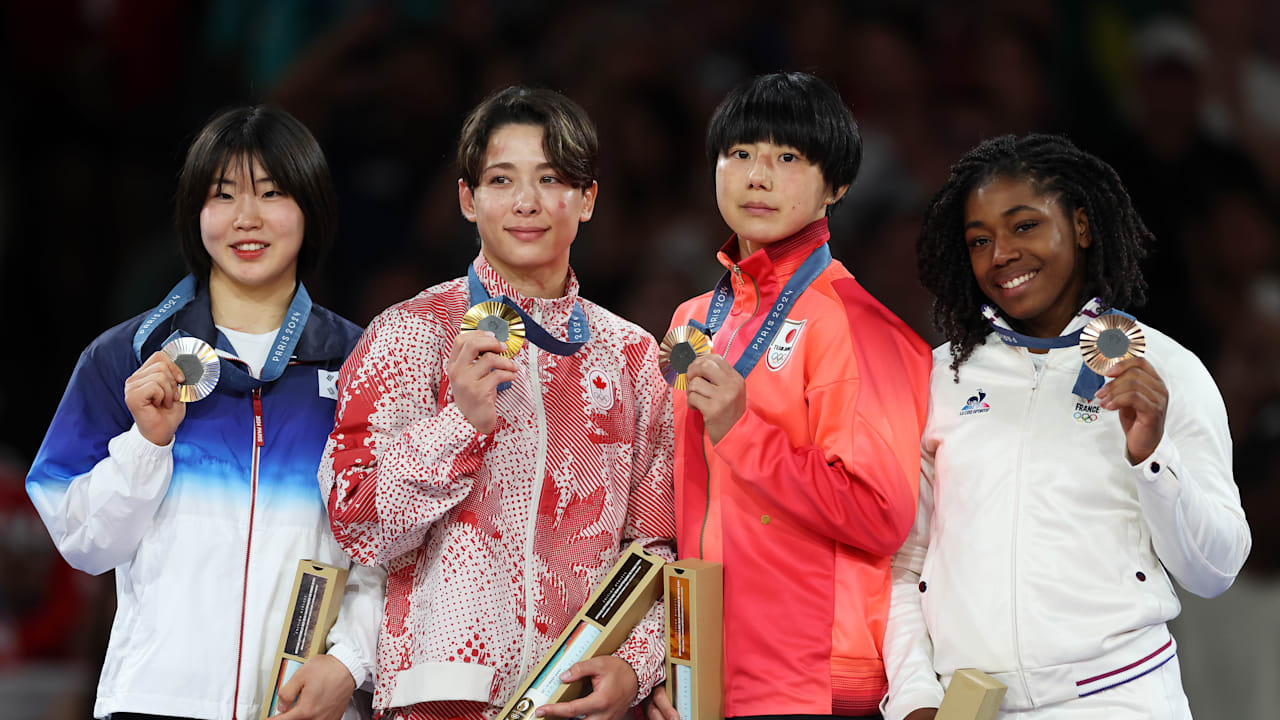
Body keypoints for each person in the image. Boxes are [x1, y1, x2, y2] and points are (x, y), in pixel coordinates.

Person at [319, 86, 676, 720]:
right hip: (440, 695)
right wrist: (459, 423)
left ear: (588, 199)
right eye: (502, 179)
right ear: (467, 198)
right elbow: (355, 520)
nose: (527, 203)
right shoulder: (409, 333)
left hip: (577, 702)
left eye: (552, 179)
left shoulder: (632, 358)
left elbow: (658, 547)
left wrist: (636, 665)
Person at [25, 105, 382, 720]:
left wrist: (350, 661)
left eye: (273, 194)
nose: (247, 218)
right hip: (156, 702)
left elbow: (394, 547)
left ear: (311, 210)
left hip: (304, 706)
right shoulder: (128, 357)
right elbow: (83, 543)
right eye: (223, 196)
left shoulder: (366, 365)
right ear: (196, 213)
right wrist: (146, 444)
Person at [881, 134, 1252, 720]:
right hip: (970, 707)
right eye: (980, 239)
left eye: (1024, 226)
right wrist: (914, 700)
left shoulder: (1165, 368)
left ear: (1080, 226)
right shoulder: (938, 379)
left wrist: (1153, 456)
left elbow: (1215, 570)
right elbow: (904, 564)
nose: (1001, 253)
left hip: (1118, 698)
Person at [649, 72, 932, 720]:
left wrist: (741, 430)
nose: (757, 176)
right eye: (740, 154)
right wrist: (668, 660)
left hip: (810, 682)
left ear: (837, 186)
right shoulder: (695, 318)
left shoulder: (861, 328)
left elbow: (880, 512)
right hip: (704, 673)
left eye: (787, 158)